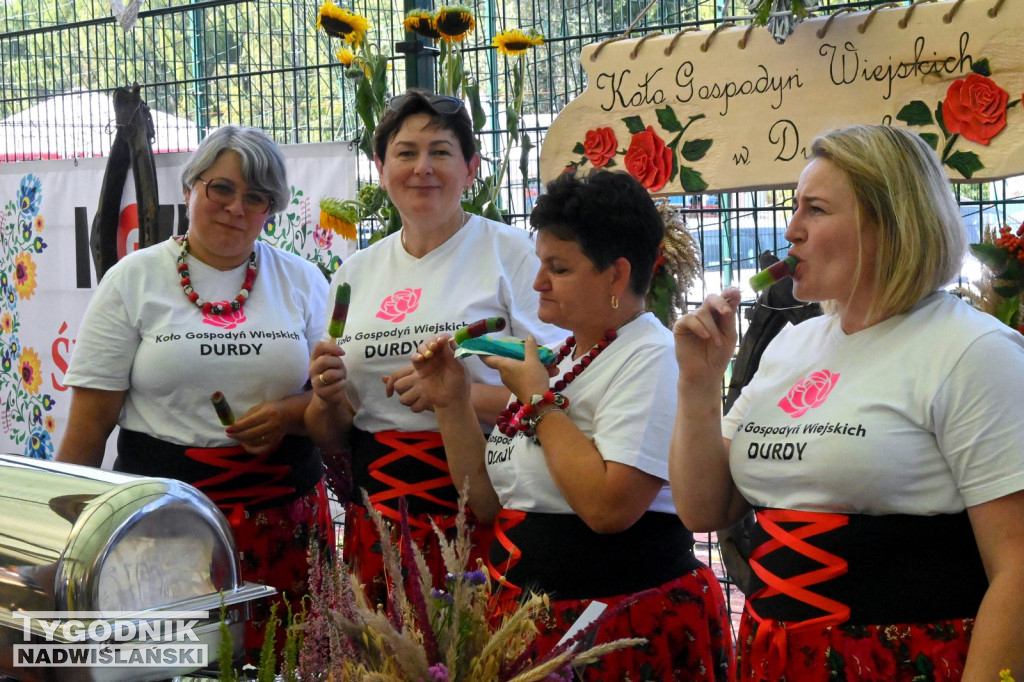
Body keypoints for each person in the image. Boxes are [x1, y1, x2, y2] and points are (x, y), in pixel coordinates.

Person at [671, 124, 1024, 681]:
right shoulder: (793, 344)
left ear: (889, 224)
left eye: (814, 210)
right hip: (774, 658)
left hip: (908, 662)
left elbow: (1019, 570)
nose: (791, 232)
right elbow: (703, 510)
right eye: (794, 209)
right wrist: (697, 382)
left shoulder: (973, 351)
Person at [412, 170, 733, 681]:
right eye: (540, 264)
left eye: (558, 268)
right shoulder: (561, 359)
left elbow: (610, 508)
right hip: (525, 622)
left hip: (616, 626)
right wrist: (452, 402)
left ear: (616, 275)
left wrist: (538, 400)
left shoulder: (649, 357)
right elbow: (490, 504)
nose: (538, 282)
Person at [57, 125, 333, 662]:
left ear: (271, 209)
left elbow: (330, 402)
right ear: (191, 187)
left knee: (290, 664)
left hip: (286, 521)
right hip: (164, 531)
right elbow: (89, 428)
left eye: (256, 197)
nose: (235, 207)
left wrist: (285, 413)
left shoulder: (302, 281)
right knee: (174, 668)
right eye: (221, 188)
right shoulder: (132, 280)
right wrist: (67, 543)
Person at [304, 89, 562, 600]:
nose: (422, 167)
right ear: (380, 169)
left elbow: (560, 383)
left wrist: (456, 396)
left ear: (471, 168)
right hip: (376, 524)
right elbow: (333, 434)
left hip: (486, 513)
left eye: (440, 152)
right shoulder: (355, 274)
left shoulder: (512, 255)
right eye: (405, 153)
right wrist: (327, 397)